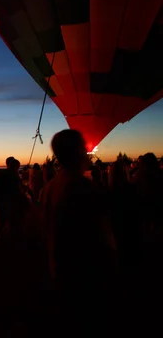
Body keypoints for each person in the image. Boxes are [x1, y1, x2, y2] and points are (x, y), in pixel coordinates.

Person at [40, 130, 117, 333]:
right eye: (84, 148)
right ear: (76, 152)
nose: (87, 153)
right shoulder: (81, 187)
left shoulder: (50, 186)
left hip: (59, 266)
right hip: (84, 271)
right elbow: (101, 231)